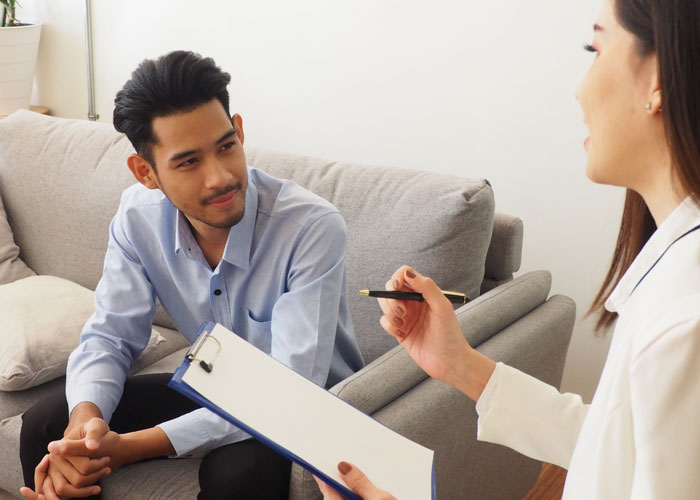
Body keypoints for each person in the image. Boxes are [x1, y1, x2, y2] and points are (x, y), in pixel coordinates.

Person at [317, 0, 700, 498]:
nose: (579, 89)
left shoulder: (683, 321)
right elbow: (613, 444)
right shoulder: (675, 278)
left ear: (657, 82)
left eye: (595, 48)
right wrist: (458, 363)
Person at [19, 50, 364, 500]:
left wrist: (132, 447)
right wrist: (85, 424)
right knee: (46, 426)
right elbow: (110, 336)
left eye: (226, 146)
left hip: (308, 407)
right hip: (213, 382)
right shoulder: (136, 219)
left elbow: (288, 394)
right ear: (146, 172)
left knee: (237, 476)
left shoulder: (310, 228)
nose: (219, 177)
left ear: (239, 131)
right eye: (188, 162)